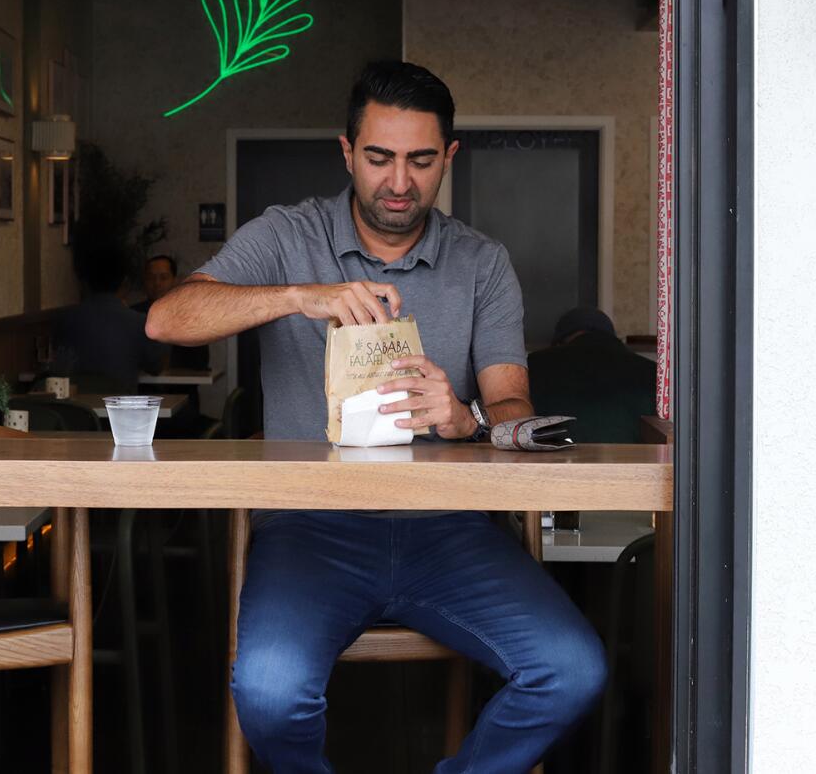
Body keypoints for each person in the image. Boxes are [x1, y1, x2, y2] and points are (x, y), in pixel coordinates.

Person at [146, 61, 606, 772]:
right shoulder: (286, 235)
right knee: (268, 692)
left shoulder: (482, 263)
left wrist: (466, 416)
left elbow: (513, 405)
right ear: (346, 152)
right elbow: (166, 319)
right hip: (309, 526)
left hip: (447, 526)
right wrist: (298, 295)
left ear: (448, 157)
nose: (399, 182)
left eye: (422, 161)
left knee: (572, 670)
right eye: (380, 158)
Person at [51, 218, 167, 393]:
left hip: (76, 414)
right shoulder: (139, 323)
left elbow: (60, 364)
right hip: (121, 414)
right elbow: (156, 366)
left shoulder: (64, 319)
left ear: (84, 282)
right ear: (124, 283)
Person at [527, 307, 657, 443]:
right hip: (634, 461)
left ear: (560, 341)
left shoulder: (535, 365)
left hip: (553, 461)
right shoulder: (651, 370)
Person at [132, 255, 210, 371]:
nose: (157, 283)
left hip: (181, 386)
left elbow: (200, 362)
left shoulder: (190, 315)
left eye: (163, 278)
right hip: (143, 386)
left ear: (174, 280)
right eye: (151, 278)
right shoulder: (132, 314)